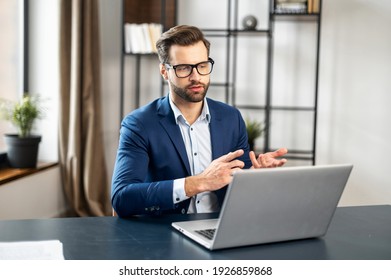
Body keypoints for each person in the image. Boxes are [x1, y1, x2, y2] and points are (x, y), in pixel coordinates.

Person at [111, 25, 288, 217]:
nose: (196, 77)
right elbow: (122, 197)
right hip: (164, 236)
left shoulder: (231, 118)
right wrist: (198, 182)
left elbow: (238, 189)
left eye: (202, 66)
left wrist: (255, 177)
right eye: (184, 68)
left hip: (220, 229)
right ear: (164, 71)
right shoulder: (139, 124)